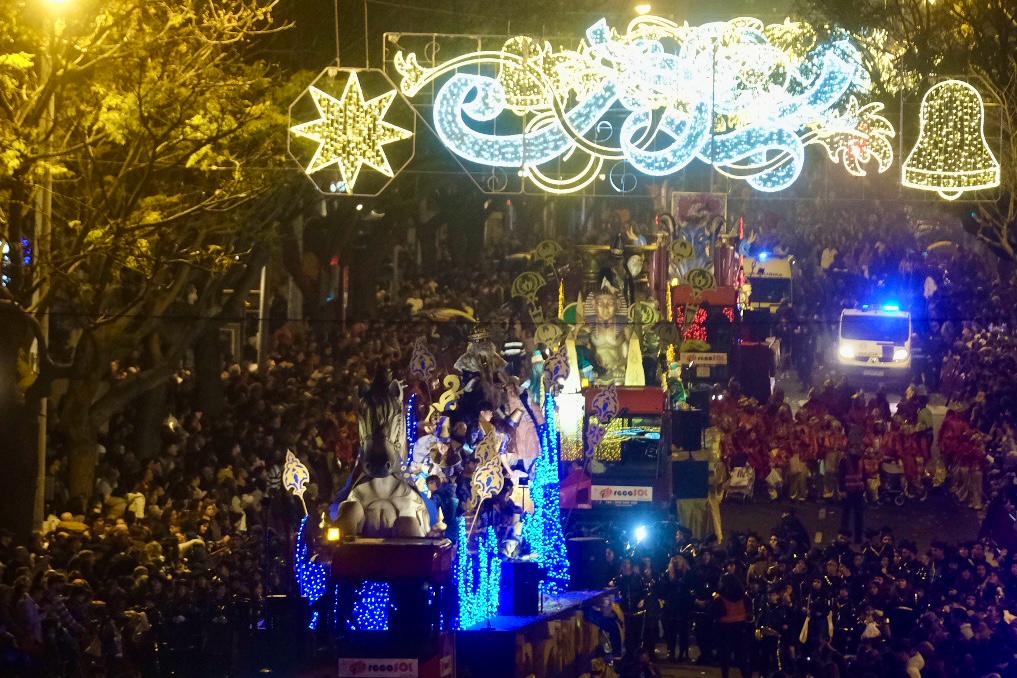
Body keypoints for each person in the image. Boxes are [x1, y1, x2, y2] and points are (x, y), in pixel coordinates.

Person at [713, 572, 752, 678]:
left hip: (725, 631)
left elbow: (716, 615)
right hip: (741, 629)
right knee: (742, 659)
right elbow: (749, 614)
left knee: (725, 659)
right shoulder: (744, 597)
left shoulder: (720, 599)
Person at [839, 448, 866, 544]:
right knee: (846, 515)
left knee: (858, 516)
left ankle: (857, 538)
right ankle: (844, 537)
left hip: (858, 491)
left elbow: (864, 475)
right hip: (848, 491)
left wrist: (864, 487)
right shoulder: (845, 460)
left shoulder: (860, 460)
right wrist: (842, 489)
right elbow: (841, 475)